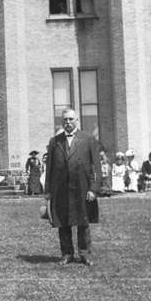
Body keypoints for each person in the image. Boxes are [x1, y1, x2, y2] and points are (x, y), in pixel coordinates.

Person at [44, 109, 101, 266]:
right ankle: (67, 254)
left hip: (82, 188)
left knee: (83, 222)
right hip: (60, 189)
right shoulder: (55, 141)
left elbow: (96, 166)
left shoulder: (88, 139)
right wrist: (48, 190)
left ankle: (85, 254)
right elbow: (49, 168)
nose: (67, 122)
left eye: (70, 119)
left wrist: (93, 188)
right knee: (63, 222)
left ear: (77, 120)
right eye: (65, 120)